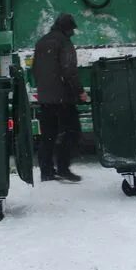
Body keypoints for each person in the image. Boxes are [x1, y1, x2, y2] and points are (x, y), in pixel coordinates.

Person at [32, 13, 87, 183]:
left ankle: (47, 171)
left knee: (48, 135)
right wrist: (80, 91)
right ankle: (63, 168)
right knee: (72, 132)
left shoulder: (42, 42)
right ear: (67, 28)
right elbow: (69, 70)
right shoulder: (64, 43)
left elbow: (35, 69)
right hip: (63, 98)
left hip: (45, 98)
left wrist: (45, 89)